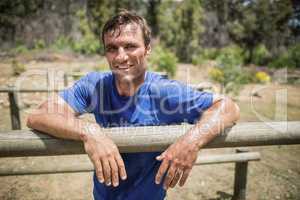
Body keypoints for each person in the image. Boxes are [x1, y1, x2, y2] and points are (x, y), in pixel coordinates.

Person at [27, 10, 240, 200]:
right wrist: (89, 131)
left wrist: (191, 141)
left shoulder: (164, 92)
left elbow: (229, 107)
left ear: (147, 49)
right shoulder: (95, 85)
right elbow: (38, 116)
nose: (121, 56)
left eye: (130, 46)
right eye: (112, 48)